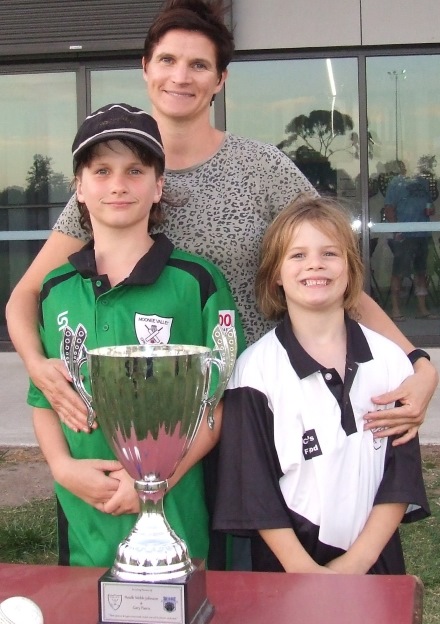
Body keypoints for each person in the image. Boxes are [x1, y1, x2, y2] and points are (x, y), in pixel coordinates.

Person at [5, 1, 437, 453]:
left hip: (260, 402)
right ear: (145, 68)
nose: (181, 76)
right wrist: (38, 365)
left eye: (199, 65)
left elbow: (330, 276)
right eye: (168, 60)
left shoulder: (262, 168)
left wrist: (417, 361)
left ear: (220, 79)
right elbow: (28, 294)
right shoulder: (114, 183)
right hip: (162, 411)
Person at [28, 102, 246, 568]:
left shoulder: (199, 282)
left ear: (158, 185)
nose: (119, 185)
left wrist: (156, 481)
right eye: (102, 171)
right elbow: (45, 397)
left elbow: (218, 403)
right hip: (86, 514)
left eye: (135, 170)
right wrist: (63, 468)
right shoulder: (55, 290)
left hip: (177, 513)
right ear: (80, 190)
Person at [214, 195, 430, 574]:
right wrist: (306, 573)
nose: (315, 263)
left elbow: (400, 476)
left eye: (330, 253)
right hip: (288, 567)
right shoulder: (254, 371)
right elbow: (254, 487)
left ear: (351, 269)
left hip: (375, 562)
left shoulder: (391, 362)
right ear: (276, 274)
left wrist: (357, 563)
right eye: (297, 255)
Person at [384, 161, 438, 321]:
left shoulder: (423, 183)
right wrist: (396, 230)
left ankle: (422, 309)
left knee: (422, 273)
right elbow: (389, 209)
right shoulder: (395, 183)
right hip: (405, 235)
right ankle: (395, 309)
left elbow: (430, 205)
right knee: (399, 272)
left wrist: (431, 209)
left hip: (423, 234)